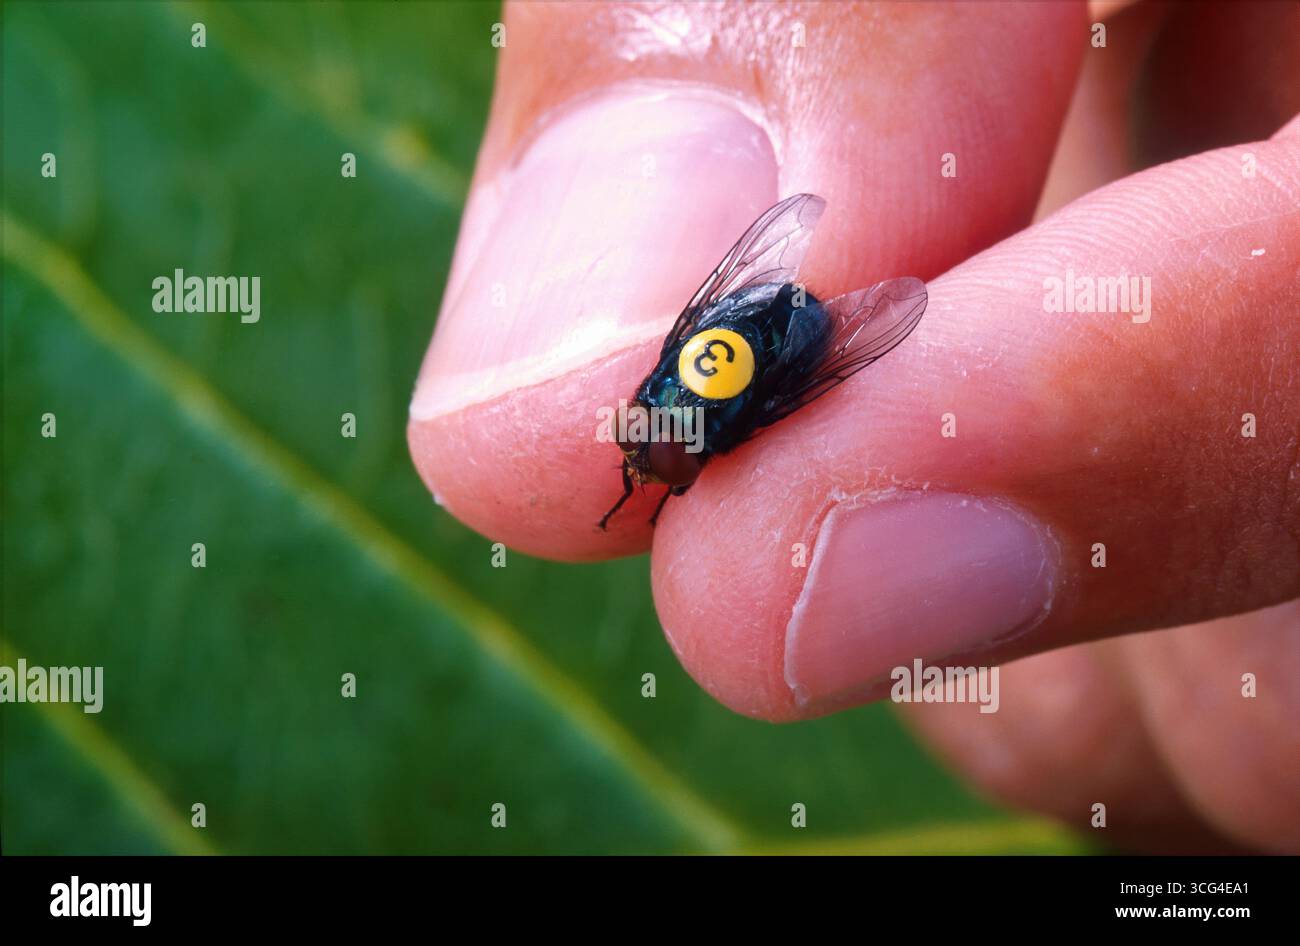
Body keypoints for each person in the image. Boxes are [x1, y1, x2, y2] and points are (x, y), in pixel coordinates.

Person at [407, 1, 1300, 853]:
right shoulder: (668, 418)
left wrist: (769, 377)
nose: (650, 461)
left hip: (794, 336)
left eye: (653, 453)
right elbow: (715, 317)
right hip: (759, 322)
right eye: (656, 458)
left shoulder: (689, 435)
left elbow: (775, 376)